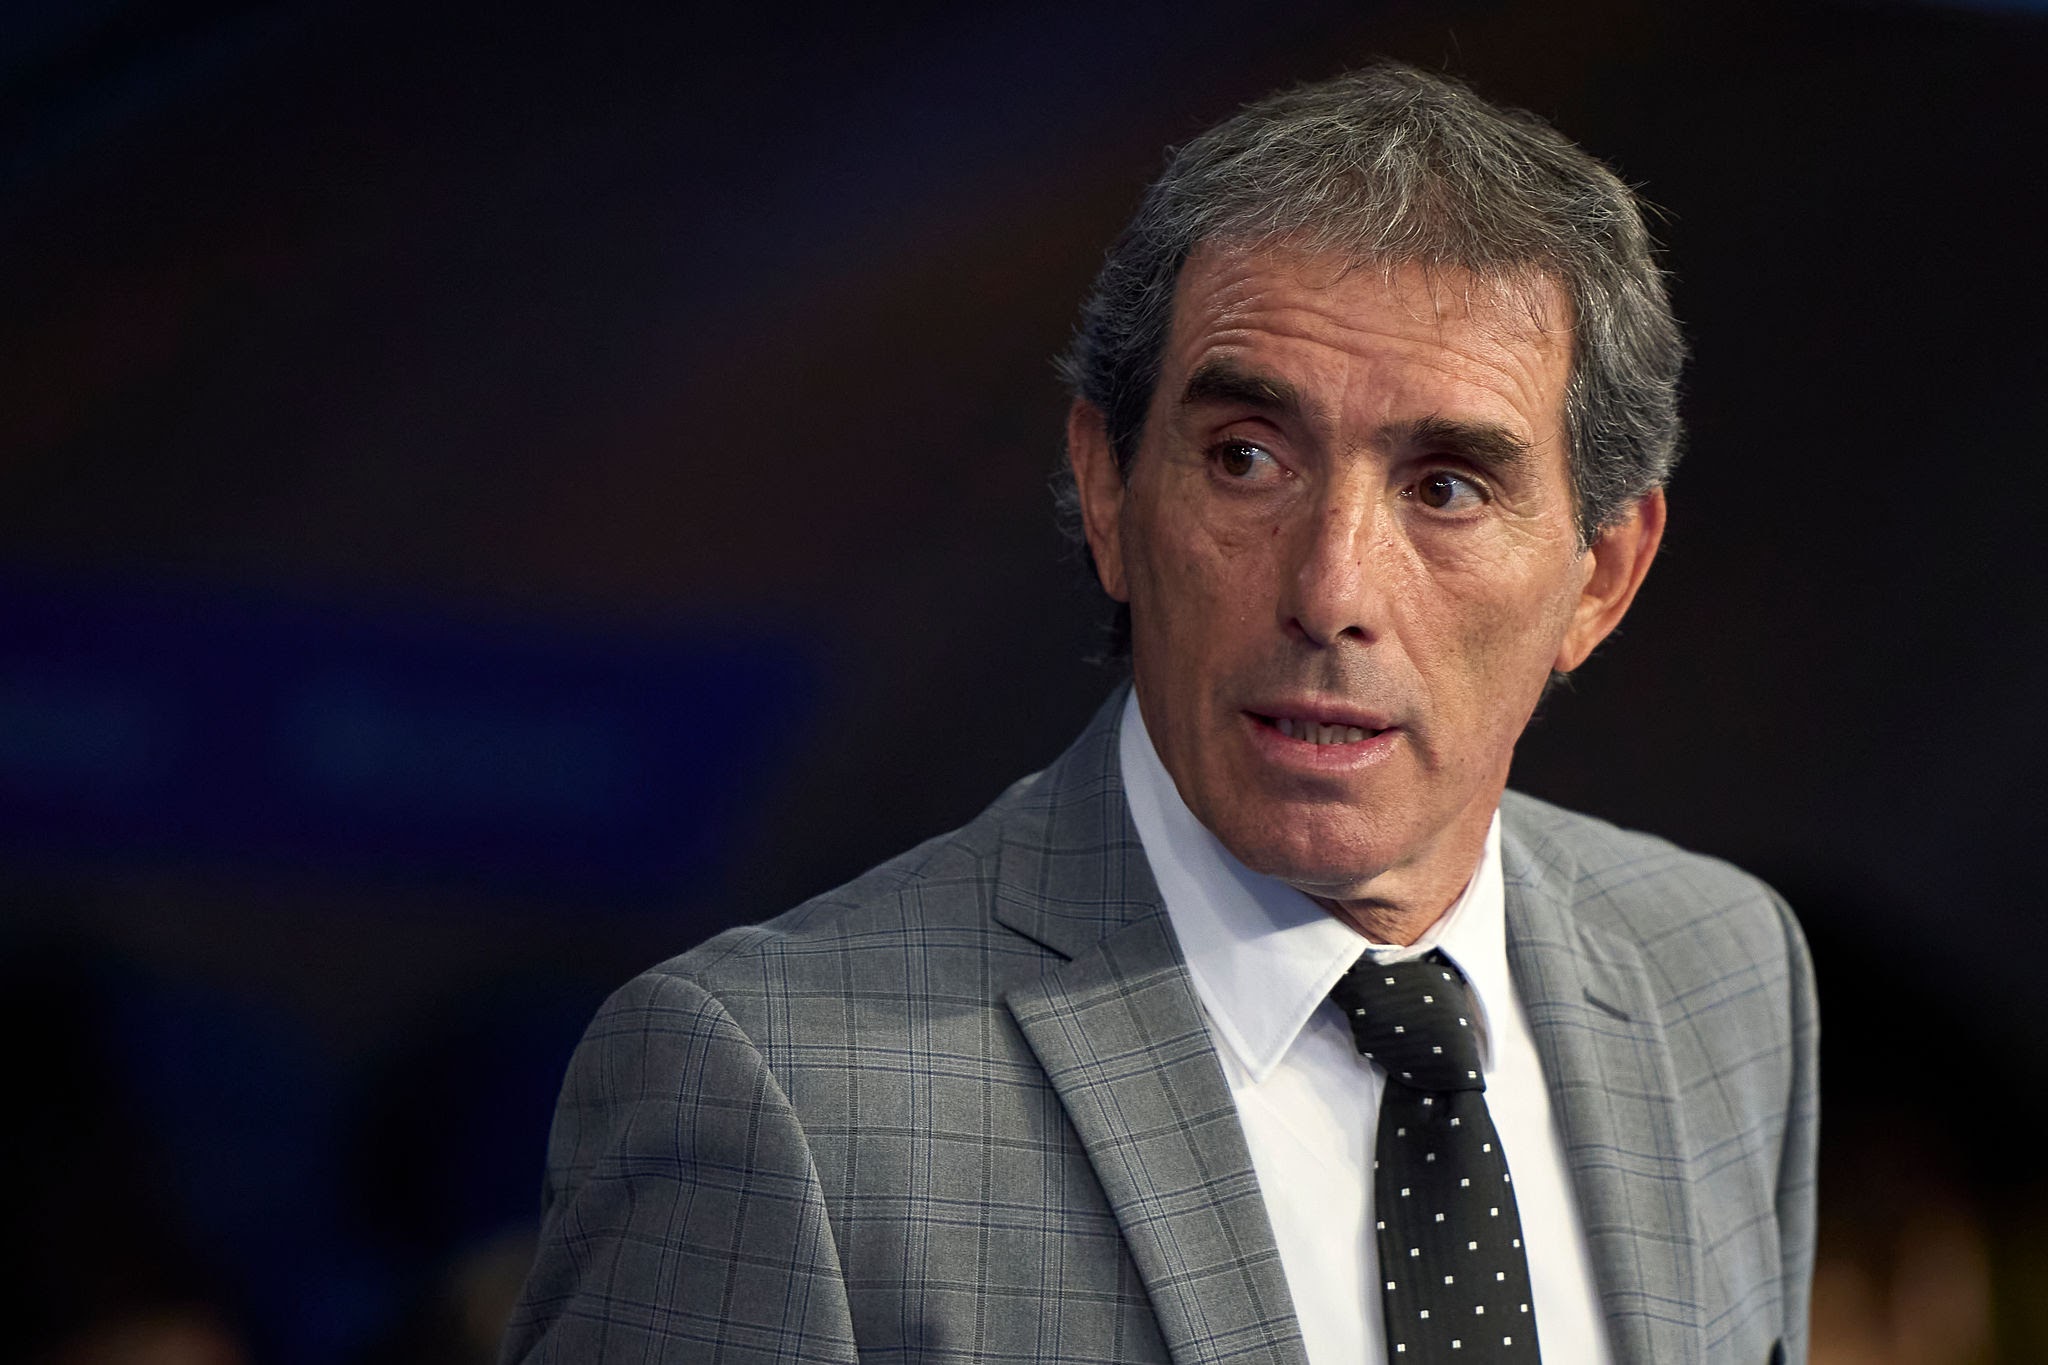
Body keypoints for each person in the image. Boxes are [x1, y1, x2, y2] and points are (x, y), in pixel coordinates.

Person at [501, 62, 1816, 1365]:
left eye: (1449, 485)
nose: (1332, 588)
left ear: (1601, 573)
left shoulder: (1723, 972)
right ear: (1112, 494)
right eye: (1248, 457)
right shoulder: (774, 1090)